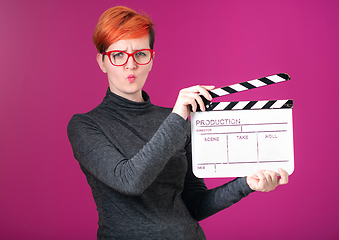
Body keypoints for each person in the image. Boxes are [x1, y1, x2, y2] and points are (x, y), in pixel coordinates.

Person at [67, 6, 288, 240]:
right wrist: (177, 117)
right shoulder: (86, 126)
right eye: (118, 55)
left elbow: (195, 205)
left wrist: (246, 184)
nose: (130, 65)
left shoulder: (176, 120)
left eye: (140, 54)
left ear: (151, 60)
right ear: (102, 62)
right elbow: (130, 180)